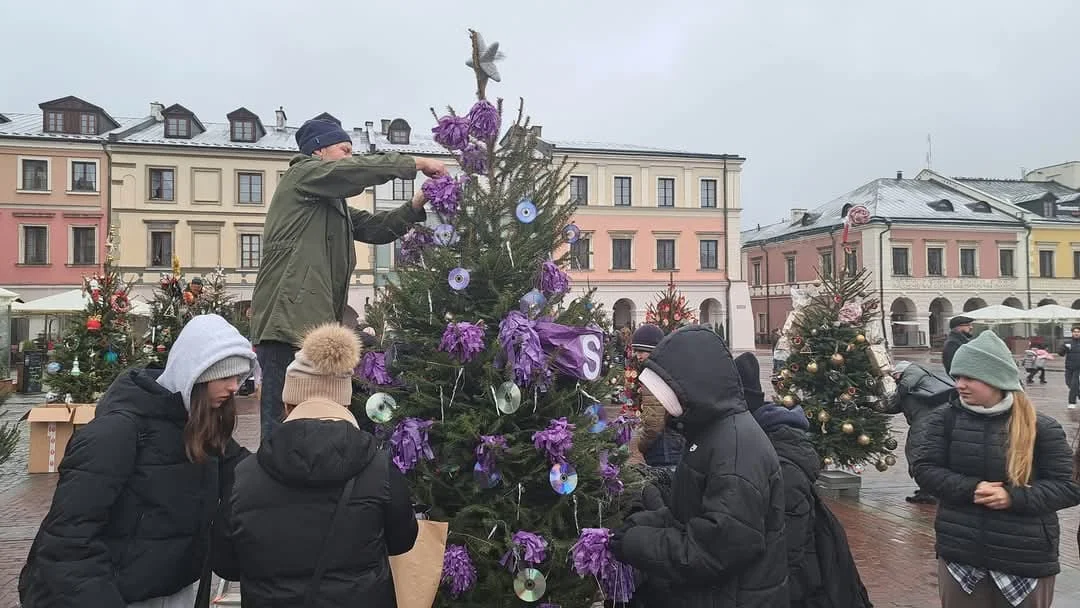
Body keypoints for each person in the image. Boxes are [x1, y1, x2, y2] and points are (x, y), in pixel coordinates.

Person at [19, 314, 256, 608]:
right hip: (115, 595)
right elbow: (68, 540)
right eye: (225, 377)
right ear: (195, 375)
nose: (235, 387)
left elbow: (250, 473)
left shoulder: (201, 428)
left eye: (239, 377)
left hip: (175, 589)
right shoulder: (116, 433)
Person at [251, 118, 447, 442]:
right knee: (280, 423)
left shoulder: (332, 204)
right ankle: (270, 488)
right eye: (344, 149)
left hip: (312, 327)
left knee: (312, 420)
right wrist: (418, 163)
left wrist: (417, 203)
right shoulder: (300, 175)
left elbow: (377, 228)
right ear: (319, 150)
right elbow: (353, 173)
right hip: (285, 325)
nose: (349, 157)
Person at [213, 323, 418, 606]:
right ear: (345, 403)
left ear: (287, 404)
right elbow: (403, 541)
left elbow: (225, 565)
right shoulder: (379, 469)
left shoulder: (244, 475)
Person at [609, 326, 787, 607]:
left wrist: (634, 543)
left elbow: (712, 550)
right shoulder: (710, 433)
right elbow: (686, 513)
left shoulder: (736, 451)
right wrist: (639, 524)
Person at [912, 330, 1080, 608]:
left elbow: (1068, 487)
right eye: (957, 377)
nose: (960, 385)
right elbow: (924, 469)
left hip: (1026, 558)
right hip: (961, 556)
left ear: (996, 379)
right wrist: (971, 488)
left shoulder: (1042, 427)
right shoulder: (944, 420)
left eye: (969, 377)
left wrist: (1013, 497)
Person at [886, 360, 957, 504]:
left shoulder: (908, 381)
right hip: (931, 421)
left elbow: (896, 397)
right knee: (927, 453)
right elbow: (893, 406)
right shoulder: (915, 385)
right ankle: (928, 489)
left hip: (926, 423)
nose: (894, 380)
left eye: (895, 377)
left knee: (919, 453)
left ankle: (930, 491)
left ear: (900, 374)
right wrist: (869, 404)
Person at [631, 323, 685, 470]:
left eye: (642, 351)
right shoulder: (668, 369)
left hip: (664, 447)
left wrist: (641, 444)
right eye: (636, 350)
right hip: (677, 440)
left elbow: (653, 424)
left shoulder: (653, 376)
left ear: (653, 350)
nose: (637, 355)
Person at [1058, 326, 1080, 408]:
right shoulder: (1068, 343)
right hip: (1069, 367)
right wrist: (1064, 348)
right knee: (1068, 383)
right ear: (1072, 333)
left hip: (1078, 367)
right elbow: (1061, 354)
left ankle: (1072, 402)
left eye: (1078, 332)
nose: (1076, 333)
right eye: (1075, 332)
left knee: (1074, 384)